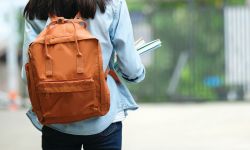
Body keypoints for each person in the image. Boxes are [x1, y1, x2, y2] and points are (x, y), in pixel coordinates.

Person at [21, 0, 145, 150]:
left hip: (55, 120)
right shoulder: (112, 3)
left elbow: (27, 74)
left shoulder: (37, 5)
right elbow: (131, 67)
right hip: (103, 119)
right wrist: (137, 75)